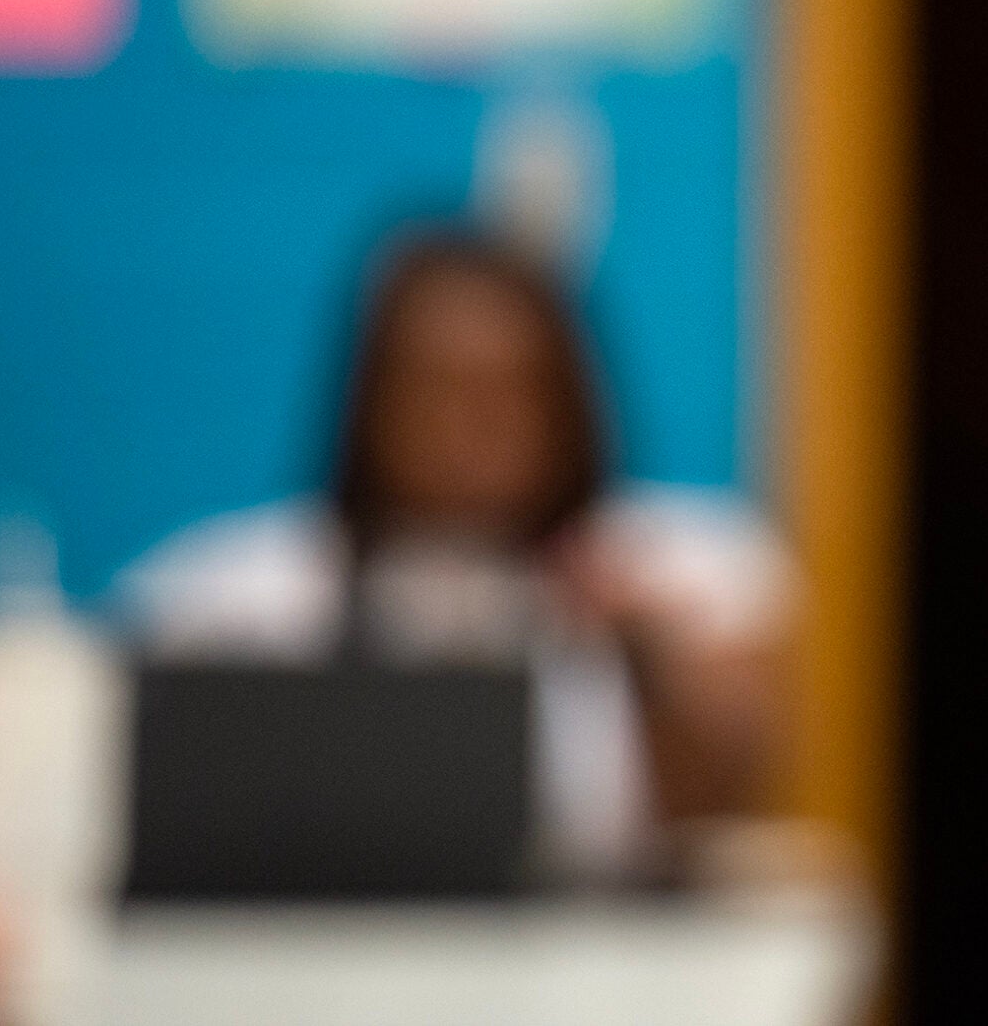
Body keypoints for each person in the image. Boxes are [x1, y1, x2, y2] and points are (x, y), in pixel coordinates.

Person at [122, 227, 792, 883]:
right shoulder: (242, 591)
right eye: (433, 391)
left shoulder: (678, 565)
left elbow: (733, 781)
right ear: (369, 401)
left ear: (569, 400)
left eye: (507, 393)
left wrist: (643, 654)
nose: (467, 430)